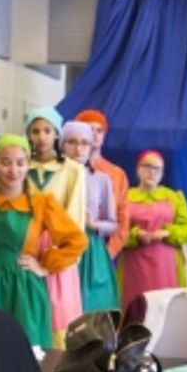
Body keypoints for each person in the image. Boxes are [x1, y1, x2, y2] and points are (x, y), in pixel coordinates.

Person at [0, 134, 86, 349]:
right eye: (5, 162)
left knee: (27, 354)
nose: (13, 170)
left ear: (28, 164)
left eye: (20, 163)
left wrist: (44, 265)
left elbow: (76, 240)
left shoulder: (42, 202)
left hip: (25, 290)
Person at [24, 107, 87, 345]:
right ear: (28, 135)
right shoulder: (21, 166)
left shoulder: (73, 170)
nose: (41, 137)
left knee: (58, 312)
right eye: (35, 131)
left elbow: (75, 217)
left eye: (47, 130)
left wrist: (61, 258)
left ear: (57, 134)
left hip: (58, 248)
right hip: (27, 245)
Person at [119, 150, 187, 314]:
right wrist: (136, 235)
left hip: (166, 265)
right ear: (138, 169)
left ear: (162, 173)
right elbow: (116, 233)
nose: (152, 172)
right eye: (147, 166)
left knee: (165, 309)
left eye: (157, 168)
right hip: (134, 265)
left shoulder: (174, 197)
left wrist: (167, 233)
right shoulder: (124, 197)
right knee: (135, 309)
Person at [62, 120, 120, 313]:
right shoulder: (55, 176)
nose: (78, 149)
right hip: (60, 244)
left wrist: (94, 224)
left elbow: (113, 223)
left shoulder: (101, 179)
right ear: (62, 144)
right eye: (71, 142)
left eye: (84, 143)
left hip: (91, 248)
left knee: (94, 305)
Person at [75, 109, 130, 259]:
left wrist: (108, 252)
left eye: (99, 130)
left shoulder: (117, 174)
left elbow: (122, 218)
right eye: (89, 129)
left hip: (103, 247)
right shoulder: (69, 169)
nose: (94, 134)